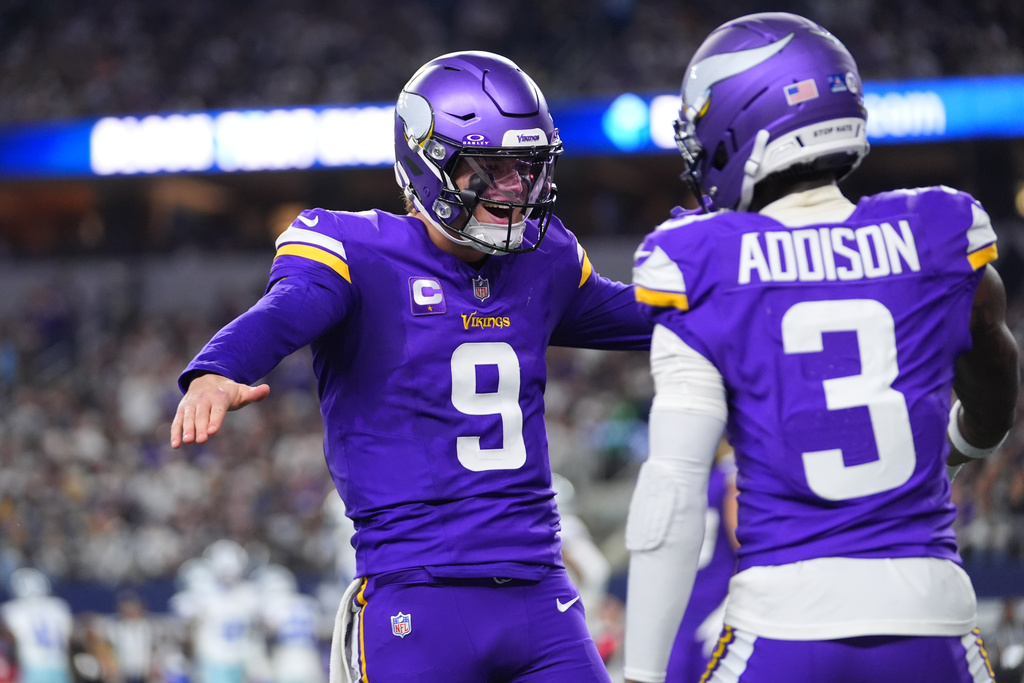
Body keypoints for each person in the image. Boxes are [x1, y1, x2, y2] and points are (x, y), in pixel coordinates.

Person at [169, 50, 652, 682]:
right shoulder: (357, 250)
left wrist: (733, 286)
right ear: (428, 162)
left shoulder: (547, 259)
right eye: (493, 171)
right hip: (418, 594)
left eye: (527, 170)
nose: (516, 191)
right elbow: (289, 308)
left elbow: (644, 314)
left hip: (541, 593)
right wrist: (220, 366)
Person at [622, 12, 1019, 683]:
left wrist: (640, 673)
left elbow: (674, 487)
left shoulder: (699, 259)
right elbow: (996, 375)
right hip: (932, 615)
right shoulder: (938, 232)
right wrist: (962, 445)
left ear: (739, 121)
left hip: (783, 620)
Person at [664, 445, 738, 683]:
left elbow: (743, 541)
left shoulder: (730, 473)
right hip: (676, 598)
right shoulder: (669, 475)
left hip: (715, 596)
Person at [0, 567, 74, 683]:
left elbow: (10, 640)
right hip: (59, 666)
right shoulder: (58, 607)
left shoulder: (11, 610)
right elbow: (69, 638)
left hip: (32, 667)